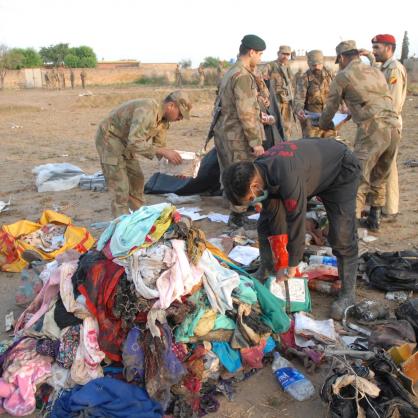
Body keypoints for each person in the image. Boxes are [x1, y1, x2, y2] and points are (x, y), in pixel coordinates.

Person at [221, 139, 361, 320]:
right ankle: (266, 270)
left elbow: (296, 222)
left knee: (342, 235)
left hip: (339, 170)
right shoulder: (261, 170)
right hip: (311, 171)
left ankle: (348, 293)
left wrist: (292, 264)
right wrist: (281, 263)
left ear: (254, 187)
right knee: (265, 223)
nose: (252, 202)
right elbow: (276, 220)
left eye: (250, 198)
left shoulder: (287, 177)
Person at [319, 40, 400, 232]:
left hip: (373, 128)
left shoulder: (343, 76)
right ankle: (375, 219)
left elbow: (330, 107)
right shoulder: (375, 71)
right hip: (394, 126)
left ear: (343, 57)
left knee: (357, 176)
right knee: (380, 174)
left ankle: (350, 228)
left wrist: (322, 124)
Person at [95, 91, 192, 217]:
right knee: (120, 187)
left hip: (127, 143)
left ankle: (139, 218)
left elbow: (159, 149)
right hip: (110, 139)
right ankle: (122, 225)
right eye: (180, 114)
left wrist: (177, 169)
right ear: (171, 106)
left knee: (137, 179)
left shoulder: (163, 122)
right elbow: (135, 142)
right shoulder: (147, 109)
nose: (180, 118)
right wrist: (163, 151)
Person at [213, 34, 266, 228]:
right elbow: (246, 112)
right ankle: (238, 217)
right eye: (259, 54)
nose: (260, 58)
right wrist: (255, 141)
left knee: (230, 173)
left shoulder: (231, 72)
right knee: (243, 176)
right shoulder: (242, 76)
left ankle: (239, 212)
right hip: (239, 135)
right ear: (251, 52)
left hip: (226, 132)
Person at [360, 34, 407, 223]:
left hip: (388, 124)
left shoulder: (394, 69)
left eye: (377, 48)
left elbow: (392, 103)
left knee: (386, 168)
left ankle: (389, 210)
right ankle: (385, 209)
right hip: (383, 124)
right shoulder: (385, 67)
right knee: (384, 167)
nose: (374, 51)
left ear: (388, 48)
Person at [294, 50, 335, 138]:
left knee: (330, 144)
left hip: (328, 116)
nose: (317, 67)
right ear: (309, 64)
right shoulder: (304, 78)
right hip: (312, 117)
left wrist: (344, 105)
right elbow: (299, 98)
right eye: (314, 65)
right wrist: (299, 110)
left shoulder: (330, 74)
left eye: (319, 64)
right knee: (312, 144)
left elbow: (338, 91)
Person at [268, 45, 294, 139]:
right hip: (275, 103)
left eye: (288, 55)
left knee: (287, 128)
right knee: (275, 128)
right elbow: (261, 82)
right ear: (278, 54)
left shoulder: (287, 67)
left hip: (287, 104)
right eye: (283, 54)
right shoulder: (270, 66)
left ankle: (286, 147)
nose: (285, 57)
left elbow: (291, 84)